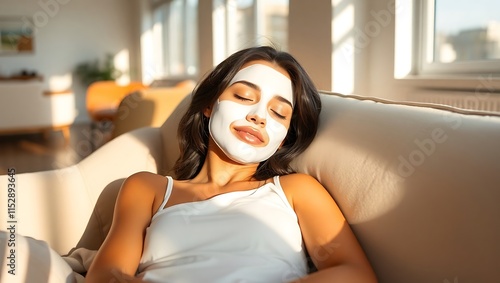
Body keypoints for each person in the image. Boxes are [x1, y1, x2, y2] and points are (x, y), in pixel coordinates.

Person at [85, 46, 378, 283]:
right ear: (209, 105)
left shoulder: (297, 191)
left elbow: (355, 274)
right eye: (244, 96)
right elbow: (106, 276)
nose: (259, 116)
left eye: (278, 113)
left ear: (284, 138)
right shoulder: (147, 188)